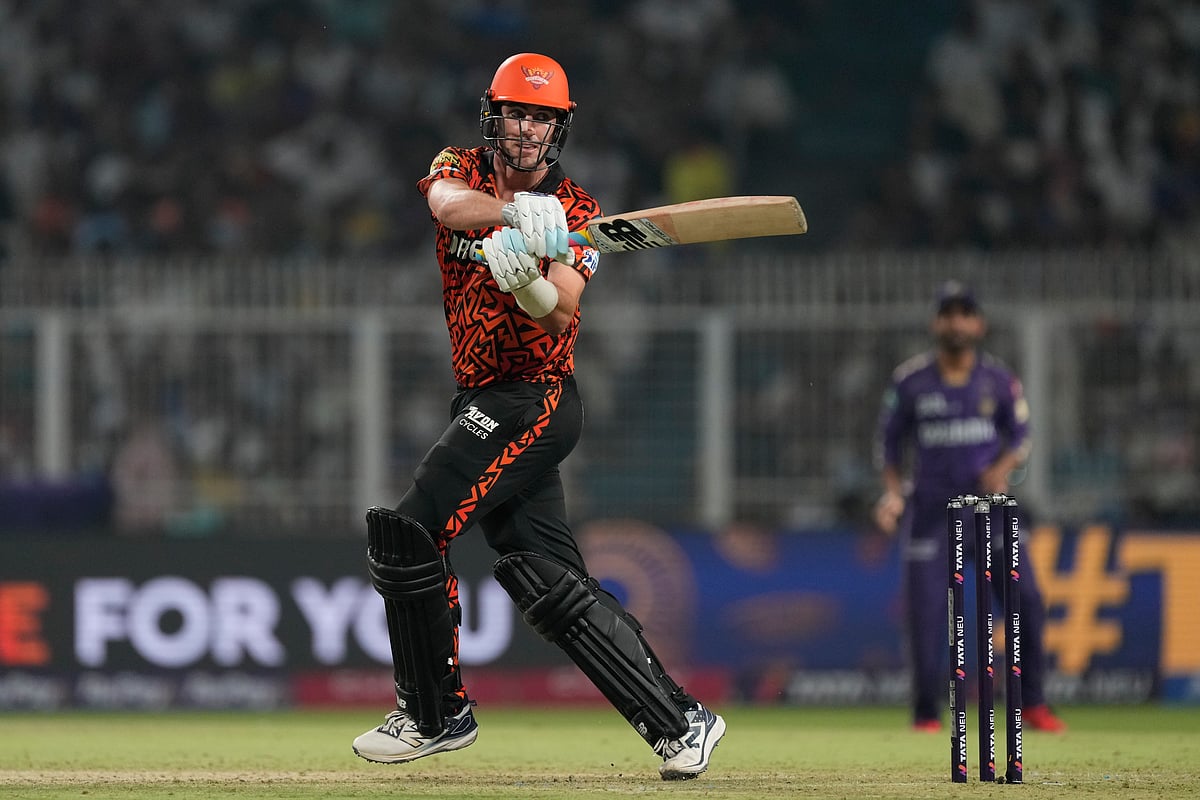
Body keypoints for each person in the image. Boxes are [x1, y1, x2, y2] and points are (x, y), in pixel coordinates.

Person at [350, 53, 725, 781]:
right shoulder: (460, 164)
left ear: (559, 129)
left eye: (542, 118)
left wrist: (528, 288)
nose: (527, 129)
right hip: (480, 395)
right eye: (517, 113)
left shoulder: (581, 212)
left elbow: (562, 313)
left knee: (411, 532)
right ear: (494, 117)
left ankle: (434, 713)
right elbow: (448, 206)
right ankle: (683, 722)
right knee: (547, 581)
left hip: (535, 397)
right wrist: (515, 214)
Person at [873, 281, 1066, 734]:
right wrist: (893, 493)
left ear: (978, 324)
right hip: (930, 513)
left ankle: (1033, 704)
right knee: (924, 614)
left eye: (965, 313)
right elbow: (887, 445)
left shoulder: (998, 380)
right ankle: (925, 714)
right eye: (948, 313)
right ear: (935, 322)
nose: (956, 322)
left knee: (1028, 602)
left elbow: (1021, 436)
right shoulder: (911, 380)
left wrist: (1003, 466)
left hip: (990, 509)